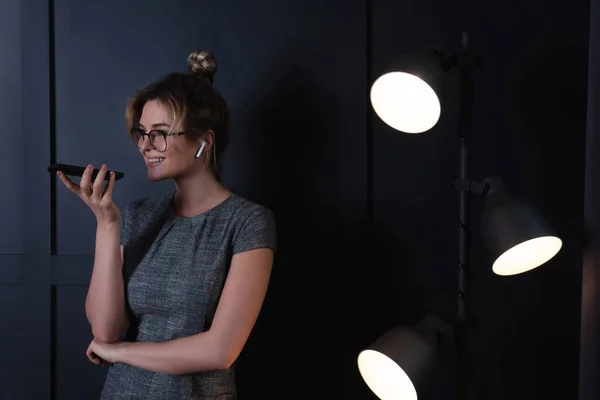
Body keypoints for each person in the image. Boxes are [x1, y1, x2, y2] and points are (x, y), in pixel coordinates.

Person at [57, 48, 277, 399]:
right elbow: (104, 329)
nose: (146, 145)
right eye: (142, 133)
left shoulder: (248, 222)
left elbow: (220, 351)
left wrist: (119, 353)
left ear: (203, 142)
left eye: (160, 132)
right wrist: (106, 224)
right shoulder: (139, 215)